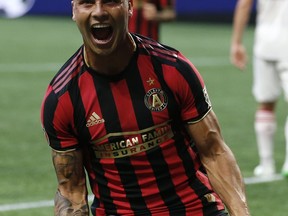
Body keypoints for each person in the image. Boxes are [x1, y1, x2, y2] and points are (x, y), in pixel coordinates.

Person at [41, 0, 250, 215]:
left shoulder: (172, 69)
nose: (99, 12)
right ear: (74, 11)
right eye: (87, 3)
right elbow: (71, 190)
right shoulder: (62, 98)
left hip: (195, 208)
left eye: (110, 2)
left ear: (130, 6)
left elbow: (213, 152)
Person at [230, 0, 288, 177]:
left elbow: (244, 5)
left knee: (265, 103)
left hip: (264, 43)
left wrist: (236, 42)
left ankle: (266, 164)